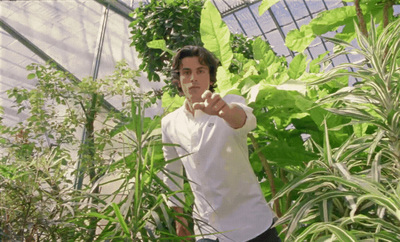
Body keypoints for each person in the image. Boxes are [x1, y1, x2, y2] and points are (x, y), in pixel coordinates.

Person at [162, 45, 280, 242]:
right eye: (186, 72)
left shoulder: (229, 103)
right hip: (207, 230)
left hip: (253, 225)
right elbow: (172, 173)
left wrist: (223, 112)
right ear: (178, 79)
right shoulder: (170, 123)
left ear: (211, 77)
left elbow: (245, 120)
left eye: (200, 71)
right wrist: (180, 220)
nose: (193, 79)